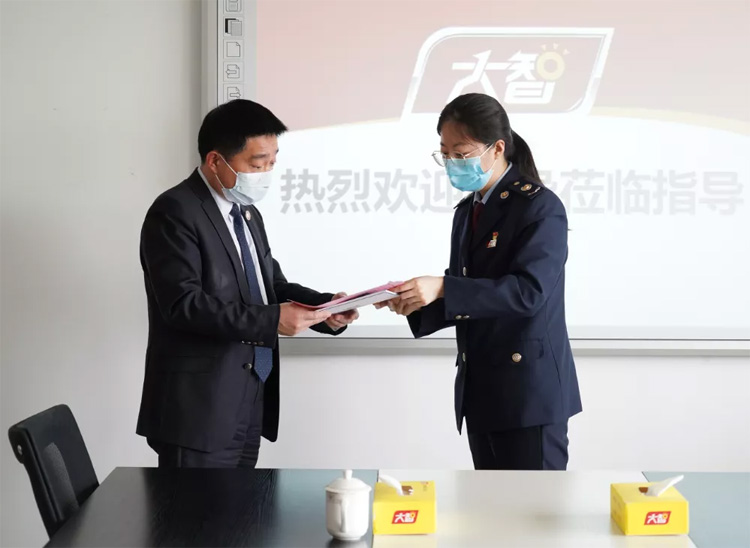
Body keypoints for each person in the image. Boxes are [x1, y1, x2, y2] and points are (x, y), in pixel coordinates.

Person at [136, 99, 358, 468]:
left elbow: (271, 285)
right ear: (215, 161)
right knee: (197, 508)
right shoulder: (174, 211)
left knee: (241, 505)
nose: (266, 172)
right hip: (198, 410)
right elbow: (182, 305)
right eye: (257, 164)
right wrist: (273, 320)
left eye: (272, 162)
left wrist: (325, 308)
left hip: (250, 396)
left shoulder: (247, 213)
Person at [379, 93, 582, 470]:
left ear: (497, 148)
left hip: (528, 395)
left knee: (535, 505)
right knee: (489, 504)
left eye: (461, 153)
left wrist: (442, 287)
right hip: (482, 390)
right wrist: (415, 301)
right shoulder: (468, 210)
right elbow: (473, 294)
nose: (452, 163)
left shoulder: (539, 206)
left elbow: (529, 293)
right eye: (445, 154)